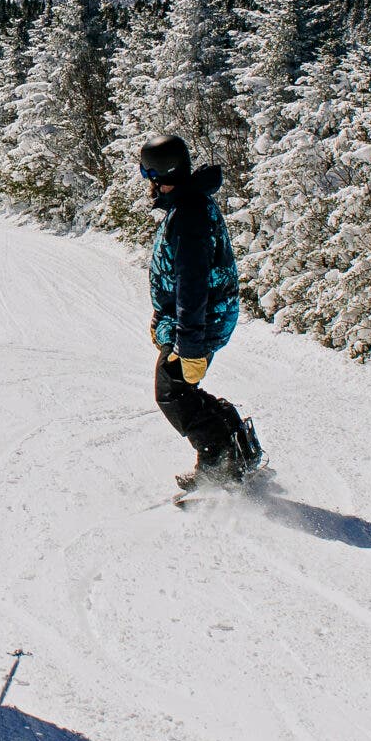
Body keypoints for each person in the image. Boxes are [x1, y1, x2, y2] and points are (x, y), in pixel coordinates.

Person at [139, 134, 261, 492]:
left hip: (200, 322)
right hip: (197, 319)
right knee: (180, 390)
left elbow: (192, 284)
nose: (147, 183)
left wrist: (189, 345)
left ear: (160, 175)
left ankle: (219, 464)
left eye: (148, 174)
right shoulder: (189, 204)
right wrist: (163, 317)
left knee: (173, 393)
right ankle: (237, 448)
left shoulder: (188, 214)